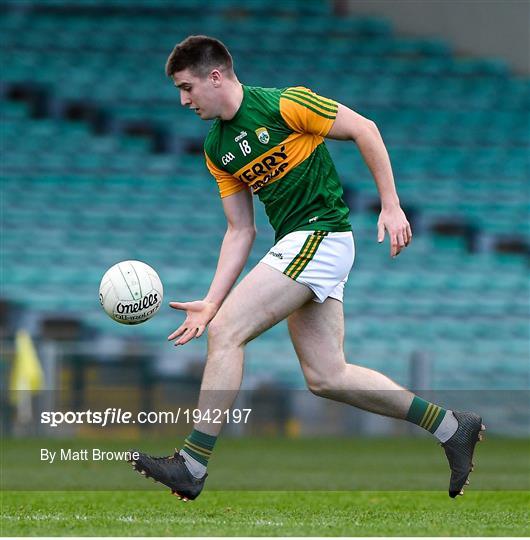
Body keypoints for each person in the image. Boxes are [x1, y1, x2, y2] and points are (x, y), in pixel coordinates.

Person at [130, 35, 484, 501]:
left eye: (187, 87)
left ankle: (192, 464)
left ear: (215, 77)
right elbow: (240, 231)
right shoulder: (217, 148)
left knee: (228, 332)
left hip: (320, 235)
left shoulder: (286, 104)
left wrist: (391, 206)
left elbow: (366, 129)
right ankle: (450, 427)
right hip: (299, 245)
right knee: (326, 376)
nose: (183, 100)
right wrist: (211, 300)